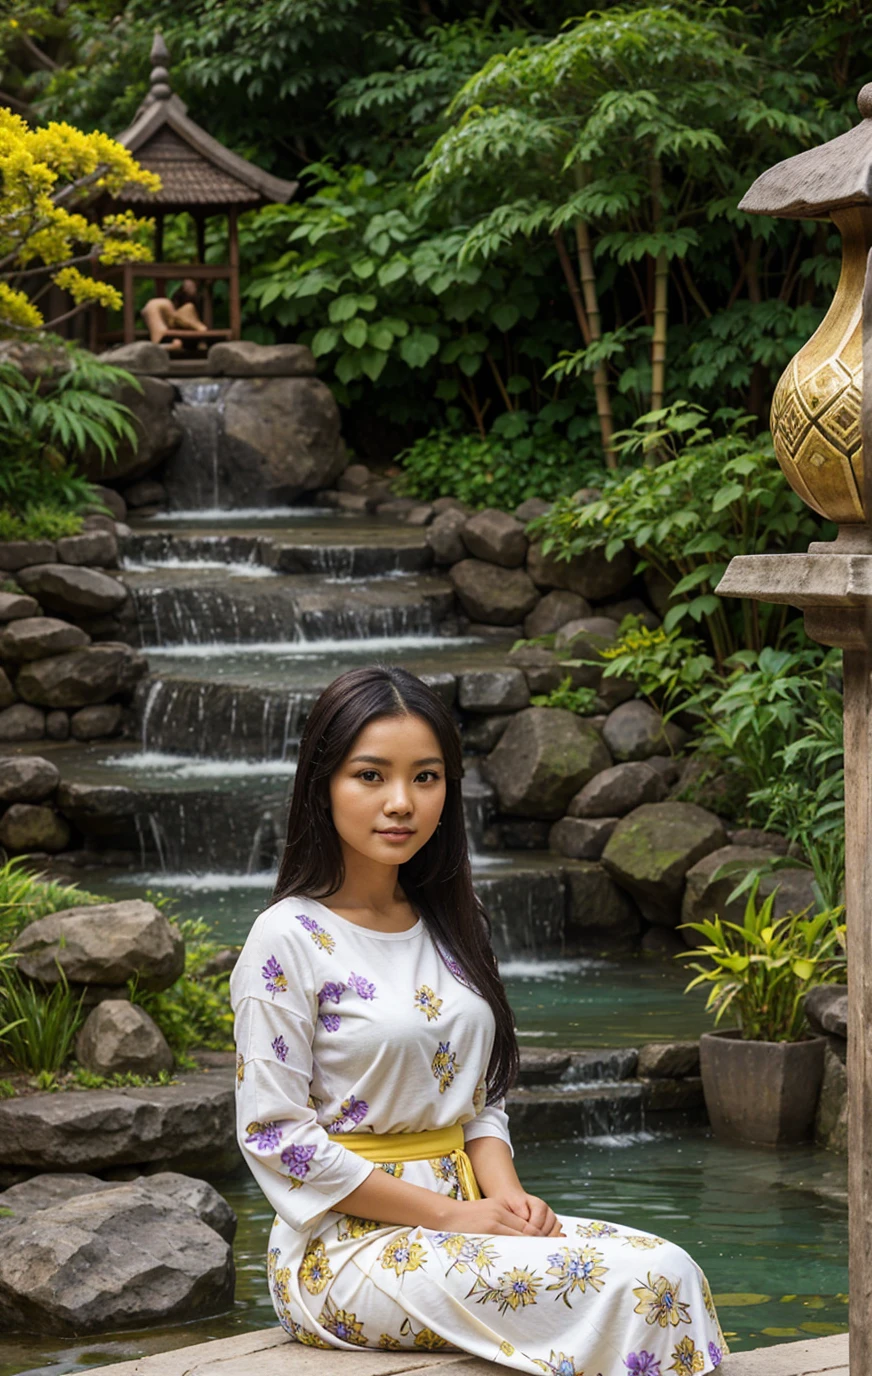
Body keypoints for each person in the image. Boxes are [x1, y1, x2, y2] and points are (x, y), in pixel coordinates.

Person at [230, 665, 728, 1373]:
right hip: (346, 1247)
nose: (401, 802)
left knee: (670, 1269)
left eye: (425, 777)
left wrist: (509, 1200)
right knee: (639, 1290)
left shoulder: (453, 925)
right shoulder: (286, 938)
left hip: (467, 1216)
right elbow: (275, 1135)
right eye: (371, 776)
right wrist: (452, 1217)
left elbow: (480, 1100)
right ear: (322, 784)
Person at [141, 276, 208, 349]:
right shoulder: (166, 304)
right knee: (156, 305)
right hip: (169, 335)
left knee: (155, 305)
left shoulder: (189, 307)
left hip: (185, 336)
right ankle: (160, 344)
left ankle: (160, 344)